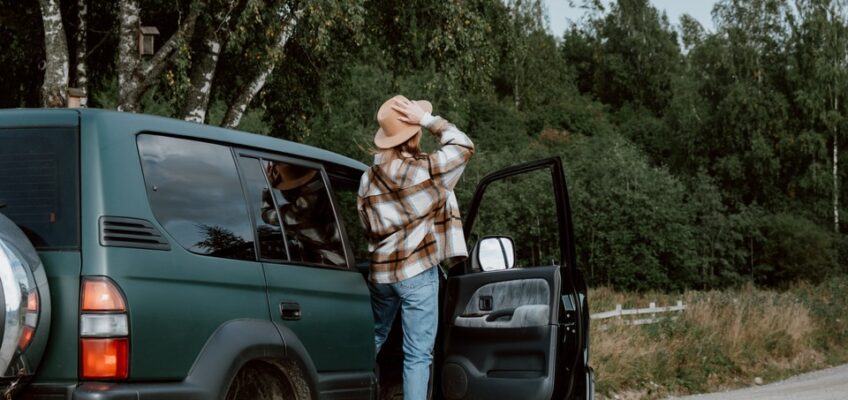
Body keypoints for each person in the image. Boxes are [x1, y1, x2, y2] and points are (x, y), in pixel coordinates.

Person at [357, 95, 475, 400]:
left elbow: (367, 226)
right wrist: (425, 119)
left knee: (374, 337)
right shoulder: (426, 169)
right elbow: (463, 145)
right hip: (416, 273)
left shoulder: (368, 178)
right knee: (417, 355)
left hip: (381, 273)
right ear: (414, 133)